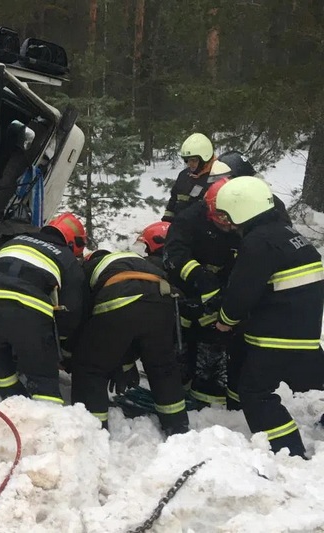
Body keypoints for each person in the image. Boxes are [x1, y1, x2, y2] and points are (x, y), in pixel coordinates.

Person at [210, 176, 324, 457]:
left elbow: (241, 294)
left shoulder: (257, 243)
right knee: (317, 378)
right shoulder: (292, 237)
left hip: (275, 336)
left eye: (230, 216)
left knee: (255, 393)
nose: (230, 224)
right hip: (306, 333)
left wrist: (225, 320)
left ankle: (289, 451)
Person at [162, 151, 260, 407]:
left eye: (231, 220)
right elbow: (174, 256)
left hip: (225, 292)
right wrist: (200, 278)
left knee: (218, 339)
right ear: (210, 210)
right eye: (222, 220)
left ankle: (212, 393)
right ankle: (179, 383)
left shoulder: (243, 221)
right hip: (186, 289)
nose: (227, 226)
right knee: (180, 339)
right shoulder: (188, 220)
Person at [0, 213, 89, 402]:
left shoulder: (14, 241)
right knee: (43, 378)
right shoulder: (66, 257)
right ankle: (46, 420)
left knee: (4, 374)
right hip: (28, 314)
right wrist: (60, 342)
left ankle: (12, 407)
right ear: (73, 242)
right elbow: (71, 308)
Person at [71, 250, 189, 436]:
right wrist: (124, 364)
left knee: (90, 369)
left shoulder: (89, 268)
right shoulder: (137, 260)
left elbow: (85, 316)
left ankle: (93, 430)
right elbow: (133, 332)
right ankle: (177, 427)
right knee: (163, 368)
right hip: (162, 301)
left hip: (120, 296)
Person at [162, 133, 216, 222]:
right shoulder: (183, 176)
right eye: (187, 160)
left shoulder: (215, 178)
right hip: (180, 227)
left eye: (194, 160)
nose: (190, 164)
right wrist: (167, 221)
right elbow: (173, 200)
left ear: (204, 159)